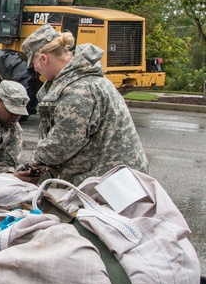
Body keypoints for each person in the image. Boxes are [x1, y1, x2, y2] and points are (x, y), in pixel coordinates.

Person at [20, 24, 148, 185]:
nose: (37, 71)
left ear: (44, 59)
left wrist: (31, 166)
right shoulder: (82, 80)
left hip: (113, 185)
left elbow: (62, 143)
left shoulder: (79, 89)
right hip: (113, 178)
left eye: (35, 65)